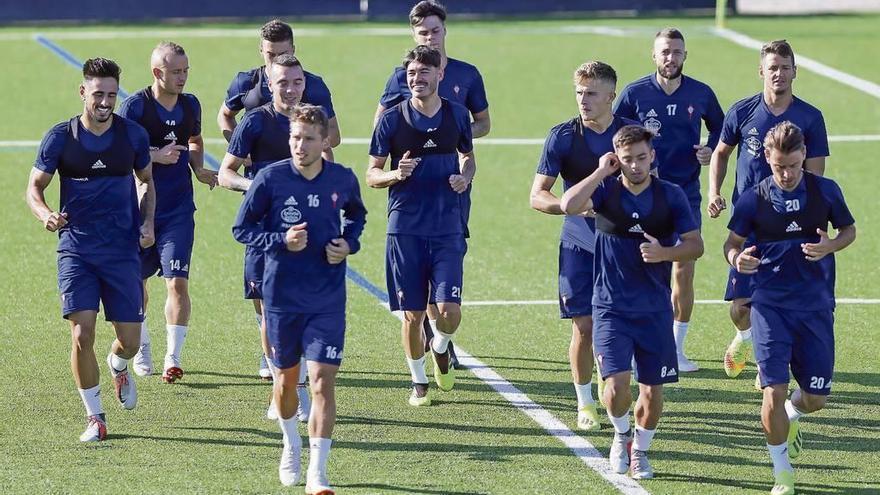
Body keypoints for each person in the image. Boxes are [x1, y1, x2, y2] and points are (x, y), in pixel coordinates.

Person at [233, 104, 367, 493]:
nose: (300, 145)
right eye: (295, 137)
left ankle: (318, 472)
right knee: (288, 383)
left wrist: (348, 244)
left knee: (323, 381)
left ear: (324, 141)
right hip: (282, 299)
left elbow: (357, 216)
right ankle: (291, 443)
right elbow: (242, 229)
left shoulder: (341, 178)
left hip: (326, 298)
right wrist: (280, 241)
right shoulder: (271, 179)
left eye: (308, 139)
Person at [560, 125, 703, 479]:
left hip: (654, 310)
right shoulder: (606, 191)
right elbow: (568, 205)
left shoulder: (670, 196)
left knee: (653, 394)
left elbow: (696, 245)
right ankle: (621, 433)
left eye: (641, 157)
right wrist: (599, 171)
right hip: (610, 307)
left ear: (652, 155)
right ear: (616, 159)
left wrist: (664, 253)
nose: (635, 165)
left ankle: (640, 449)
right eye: (627, 159)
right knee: (615, 386)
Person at [26, 58, 155, 441]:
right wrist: (45, 214)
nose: (105, 101)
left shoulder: (132, 136)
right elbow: (34, 189)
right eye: (98, 93)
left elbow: (146, 180)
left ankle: (118, 365)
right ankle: (95, 417)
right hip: (77, 250)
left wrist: (147, 221)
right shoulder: (60, 137)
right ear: (83, 92)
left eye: (112, 94)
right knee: (82, 334)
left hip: (121, 251)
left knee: (130, 341)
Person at [722, 121, 854, 495]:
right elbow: (731, 244)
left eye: (794, 165)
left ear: (803, 157)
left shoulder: (825, 191)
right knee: (773, 391)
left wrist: (831, 246)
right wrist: (737, 260)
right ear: (767, 157)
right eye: (779, 166)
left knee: (816, 398)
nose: (787, 174)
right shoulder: (754, 199)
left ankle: (792, 417)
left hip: (814, 307)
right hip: (770, 307)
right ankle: (782, 473)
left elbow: (848, 231)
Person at [374, 0, 491, 368]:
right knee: (421, 277)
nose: (430, 37)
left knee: (447, 271)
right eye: (423, 32)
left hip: (452, 191)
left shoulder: (467, 75)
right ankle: (428, 348)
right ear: (413, 34)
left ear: (445, 31)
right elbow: (382, 128)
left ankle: (440, 337)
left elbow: (483, 125)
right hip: (411, 200)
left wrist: (448, 138)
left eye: (435, 31)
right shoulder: (399, 77)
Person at [707, 39, 829, 380]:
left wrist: (806, 213)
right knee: (740, 308)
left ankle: (770, 364)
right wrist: (713, 192)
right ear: (762, 71)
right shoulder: (742, 111)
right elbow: (720, 153)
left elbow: (816, 173)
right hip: (750, 225)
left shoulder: (810, 117)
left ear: (795, 72)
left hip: (792, 228)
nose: (779, 74)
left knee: (786, 301)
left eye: (785, 68)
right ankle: (746, 337)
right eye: (772, 68)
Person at [530, 60, 638, 431]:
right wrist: (570, 206)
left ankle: (619, 386)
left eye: (591, 93)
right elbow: (537, 195)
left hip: (622, 247)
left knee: (623, 322)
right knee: (584, 325)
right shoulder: (563, 136)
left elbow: (650, 188)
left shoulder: (631, 135)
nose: (583, 100)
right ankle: (585, 402)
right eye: (579, 93)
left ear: (611, 95)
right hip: (578, 244)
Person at [367, 45, 475, 406]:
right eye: (412, 74)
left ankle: (441, 347)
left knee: (449, 312)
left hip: (447, 225)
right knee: (413, 315)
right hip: (406, 228)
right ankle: (419, 384)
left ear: (439, 75)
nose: (418, 79)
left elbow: (468, 159)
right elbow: (371, 175)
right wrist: (396, 173)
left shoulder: (457, 115)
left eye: (424, 73)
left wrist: (465, 177)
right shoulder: (392, 120)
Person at [614, 27, 724, 371]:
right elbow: (613, 133)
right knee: (641, 269)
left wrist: (710, 149)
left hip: (686, 194)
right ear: (654, 55)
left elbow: (722, 129)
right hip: (643, 195)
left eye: (676, 52)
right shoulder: (635, 93)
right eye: (664, 52)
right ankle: (636, 347)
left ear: (685, 56)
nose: (670, 58)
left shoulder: (701, 93)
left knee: (683, 269)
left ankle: (675, 349)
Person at [219, 53, 312, 420]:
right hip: (263, 234)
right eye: (283, 83)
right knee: (269, 317)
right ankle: (281, 389)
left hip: (303, 233)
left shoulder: (311, 121)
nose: (290, 89)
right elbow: (226, 173)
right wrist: (254, 185)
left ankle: (298, 390)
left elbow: (330, 166)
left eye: (296, 82)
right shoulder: (255, 122)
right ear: (269, 85)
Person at [118, 41, 217, 383]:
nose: (183, 77)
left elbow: (196, 140)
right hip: (142, 208)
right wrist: (153, 156)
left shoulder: (190, 105)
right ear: (157, 73)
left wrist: (199, 169)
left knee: (177, 282)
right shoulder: (136, 108)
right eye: (176, 71)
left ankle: (172, 357)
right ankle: (141, 346)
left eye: (186, 70)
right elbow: (119, 152)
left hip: (178, 209)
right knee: (137, 284)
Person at [218, 19, 340, 153]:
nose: (277, 60)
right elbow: (225, 115)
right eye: (271, 55)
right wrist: (239, 146)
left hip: (302, 170)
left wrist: (303, 143)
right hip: (260, 171)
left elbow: (334, 136)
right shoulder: (246, 82)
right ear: (261, 51)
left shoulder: (314, 86)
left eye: (283, 54)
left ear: (293, 50)